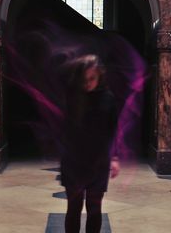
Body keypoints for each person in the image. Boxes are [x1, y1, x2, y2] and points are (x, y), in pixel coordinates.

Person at [61, 54, 120, 233]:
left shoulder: (108, 98)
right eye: (84, 79)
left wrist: (115, 157)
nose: (87, 83)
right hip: (74, 161)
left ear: (100, 75)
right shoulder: (72, 96)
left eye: (92, 78)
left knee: (94, 209)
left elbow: (113, 130)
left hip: (98, 162)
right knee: (73, 208)